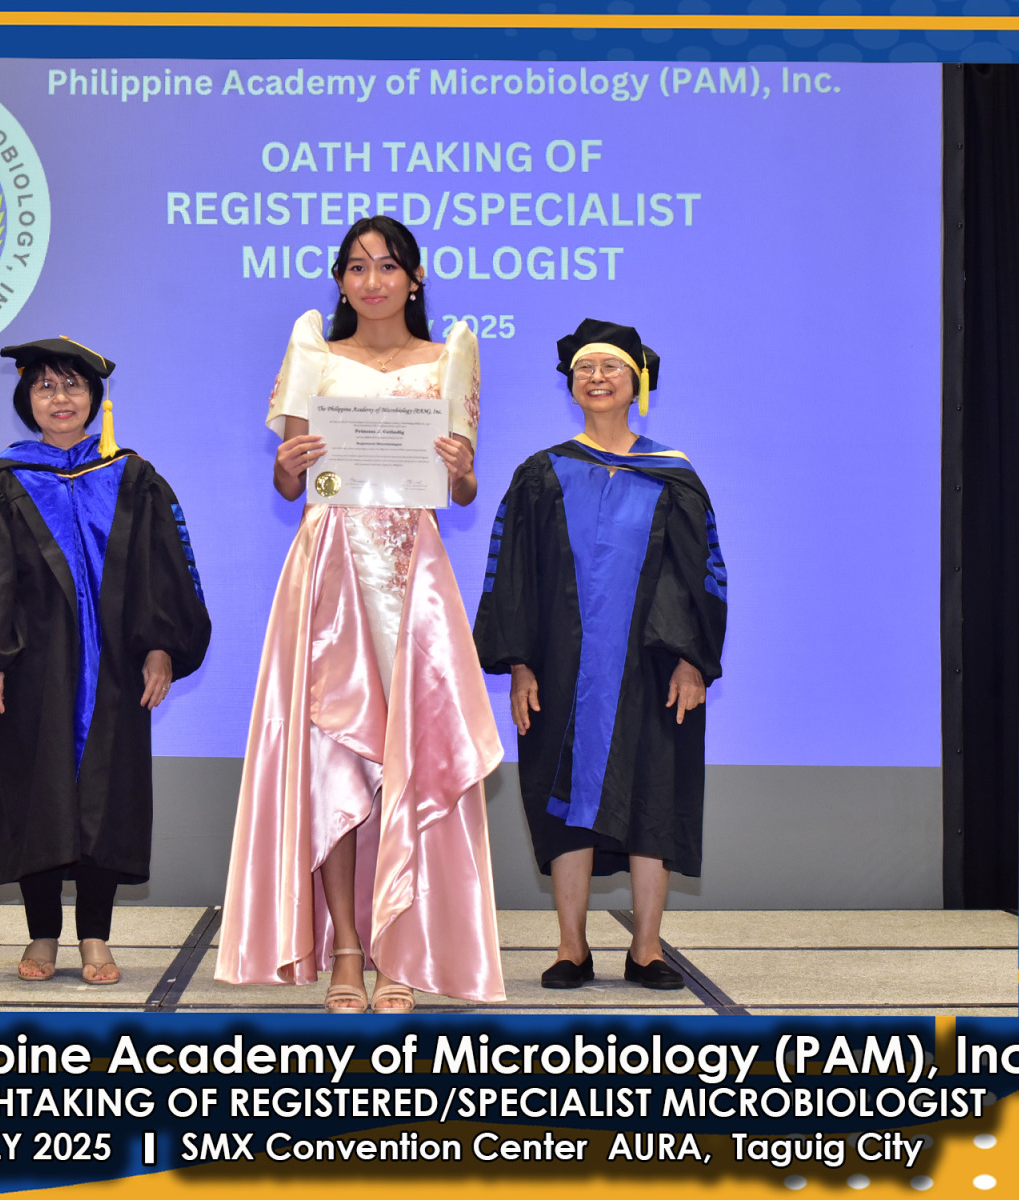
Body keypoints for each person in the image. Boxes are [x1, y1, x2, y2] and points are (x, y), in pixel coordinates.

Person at [217, 216, 505, 1013]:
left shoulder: (449, 357)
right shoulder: (314, 352)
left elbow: (460, 493)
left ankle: (399, 952)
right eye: (356, 267)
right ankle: (347, 946)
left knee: (411, 758)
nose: (371, 280)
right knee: (333, 757)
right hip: (331, 571)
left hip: (414, 579)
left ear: (415, 277)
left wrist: (464, 471)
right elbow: (291, 486)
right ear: (341, 280)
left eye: (387, 266)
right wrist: (286, 466)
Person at [0, 338, 211, 986]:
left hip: (116, 668)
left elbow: (164, 570)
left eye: (73, 386)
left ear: (94, 398)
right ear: (26, 399)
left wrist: (161, 649)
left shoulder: (133, 478)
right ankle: (41, 933)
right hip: (28, 670)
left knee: (105, 800)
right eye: (45, 387)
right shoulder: (3, 481)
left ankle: (95, 935)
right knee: (33, 796)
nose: (60, 398)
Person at [473, 319, 727, 990]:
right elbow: (512, 574)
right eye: (585, 368)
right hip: (560, 669)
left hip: (652, 668)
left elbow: (700, 574)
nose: (596, 377)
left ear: (637, 381)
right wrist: (519, 664)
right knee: (564, 804)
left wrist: (693, 659)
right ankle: (571, 947)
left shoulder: (674, 476)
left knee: (654, 798)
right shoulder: (540, 474)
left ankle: (646, 949)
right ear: (571, 385)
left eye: (611, 366)